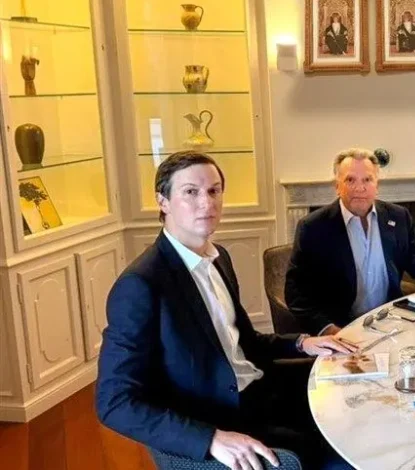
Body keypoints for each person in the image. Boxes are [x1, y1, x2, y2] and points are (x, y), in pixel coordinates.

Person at [95, 151, 356, 470]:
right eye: (190, 192)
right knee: (342, 458)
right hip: (218, 418)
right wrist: (210, 439)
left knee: (354, 409)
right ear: (163, 201)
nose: (206, 202)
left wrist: (303, 342)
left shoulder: (219, 258)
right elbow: (114, 402)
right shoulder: (141, 284)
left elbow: (245, 342)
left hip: (259, 392)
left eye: (214, 190)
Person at [286, 148, 415, 336]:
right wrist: (329, 330)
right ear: (337, 186)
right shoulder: (313, 227)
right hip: (342, 328)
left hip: (392, 320)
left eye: (367, 180)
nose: (359, 188)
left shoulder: (398, 216)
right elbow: (296, 294)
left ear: (377, 185)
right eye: (350, 180)